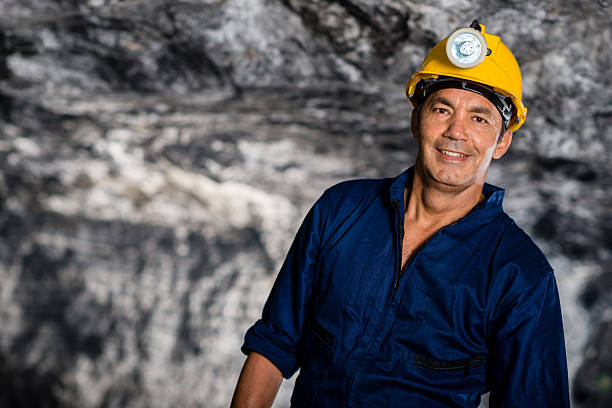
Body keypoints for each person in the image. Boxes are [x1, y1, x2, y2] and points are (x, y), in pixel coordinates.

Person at [231, 20, 570, 407]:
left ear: (502, 141)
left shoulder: (520, 275)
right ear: (416, 119)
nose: (456, 131)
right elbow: (274, 343)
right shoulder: (340, 210)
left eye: (480, 118)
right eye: (442, 109)